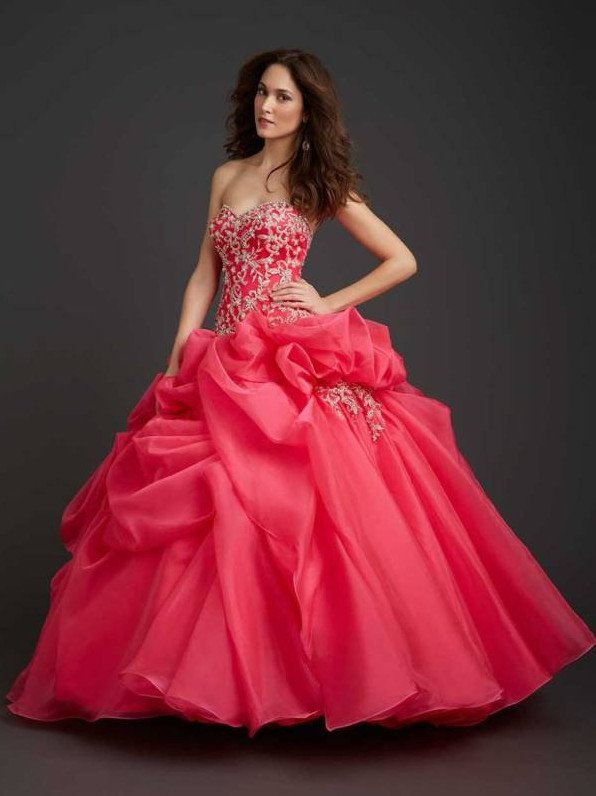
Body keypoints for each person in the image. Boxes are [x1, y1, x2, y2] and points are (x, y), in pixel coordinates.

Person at [6, 48, 594, 738]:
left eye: (283, 96)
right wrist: (176, 357)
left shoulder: (320, 183)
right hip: (221, 360)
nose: (267, 106)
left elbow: (402, 259)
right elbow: (204, 273)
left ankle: (317, 677)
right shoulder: (226, 175)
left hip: (287, 358)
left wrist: (326, 303)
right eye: (262, 92)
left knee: (300, 509)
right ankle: (216, 678)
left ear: (308, 108)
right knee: (214, 507)